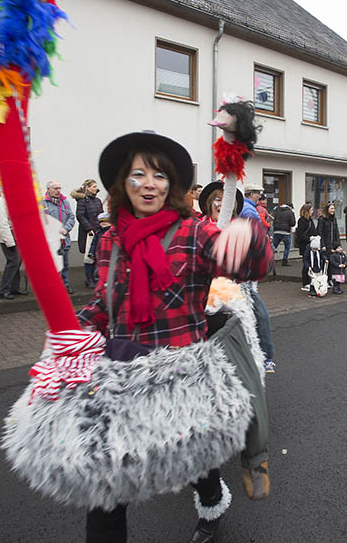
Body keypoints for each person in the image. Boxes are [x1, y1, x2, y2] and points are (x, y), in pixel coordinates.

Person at [74, 132, 273, 542]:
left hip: (183, 377)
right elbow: (104, 303)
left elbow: (248, 265)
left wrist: (247, 241)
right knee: (107, 484)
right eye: (138, 174)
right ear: (121, 184)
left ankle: (212, 503)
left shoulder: (194, 232)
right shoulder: (111, 240)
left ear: (172, 185)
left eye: (160, 175)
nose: (150, 183)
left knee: (195, 460)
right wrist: (75, 332)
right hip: (123, 378)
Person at [240, 184, 276, 374]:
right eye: (258, 194)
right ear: (252, 194)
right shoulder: (249, 210)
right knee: (258, 314)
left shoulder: (247, 209)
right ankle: (265, 356)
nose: (260, 197)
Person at [71, 179, 104, 289]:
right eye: (93, 186)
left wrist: (103, 224)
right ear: (88, 188)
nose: (96, 188)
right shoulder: (82, 201)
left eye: (96, 186)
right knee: (89, 257)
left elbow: (101, 215)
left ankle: (95, 277)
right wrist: (89, 228)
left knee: (97, 256)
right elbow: (80, 216)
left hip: (99, 231)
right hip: (88, 234)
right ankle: (89, 279)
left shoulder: (98, 200)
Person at [43, 181, 75, 294]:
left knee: (65, 264)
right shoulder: (43, 203)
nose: (58, 191)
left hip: (64, 239)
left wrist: (65, 229)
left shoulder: (65, 202)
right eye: (55, 188)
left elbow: (71, 217)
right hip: (51, 241)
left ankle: (65, 285)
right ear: (48, 189)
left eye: (59, 188)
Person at [0, 193, 27, 299]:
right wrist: (10, 242)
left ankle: (14, 288)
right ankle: (3, 290)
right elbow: (2, 225)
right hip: (8, 237)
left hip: (17, 236)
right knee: (13, 262)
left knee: (17, 262)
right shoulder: (0, 204)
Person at [294, 203, 316, 291]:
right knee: (306, 264)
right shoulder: (301, 221)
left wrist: (316, 237)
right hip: (305, 245)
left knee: (311, 263)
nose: (312, 212)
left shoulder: (310, 220)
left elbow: (314, 230)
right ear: (306, 211)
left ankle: (309, 281)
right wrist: (309, 238)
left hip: (311, 244)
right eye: (311, 210)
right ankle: (305, 282)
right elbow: (300, 234)